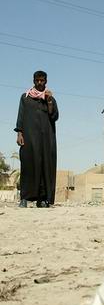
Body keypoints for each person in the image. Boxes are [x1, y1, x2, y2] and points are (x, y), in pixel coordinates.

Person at [15, 70, 59, 208]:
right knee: (28, 165)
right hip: (29, 137)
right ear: (33, 81)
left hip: (46, 138)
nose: (40, 83)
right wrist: (19, 133)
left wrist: (49, 100)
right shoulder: (25, 97)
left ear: (46, 81)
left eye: (42, 80)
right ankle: (25, 198)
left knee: (46, 166)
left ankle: (43, 199)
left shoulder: (49, 98)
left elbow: (55, 116)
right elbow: (20, 116)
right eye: (37, 80)